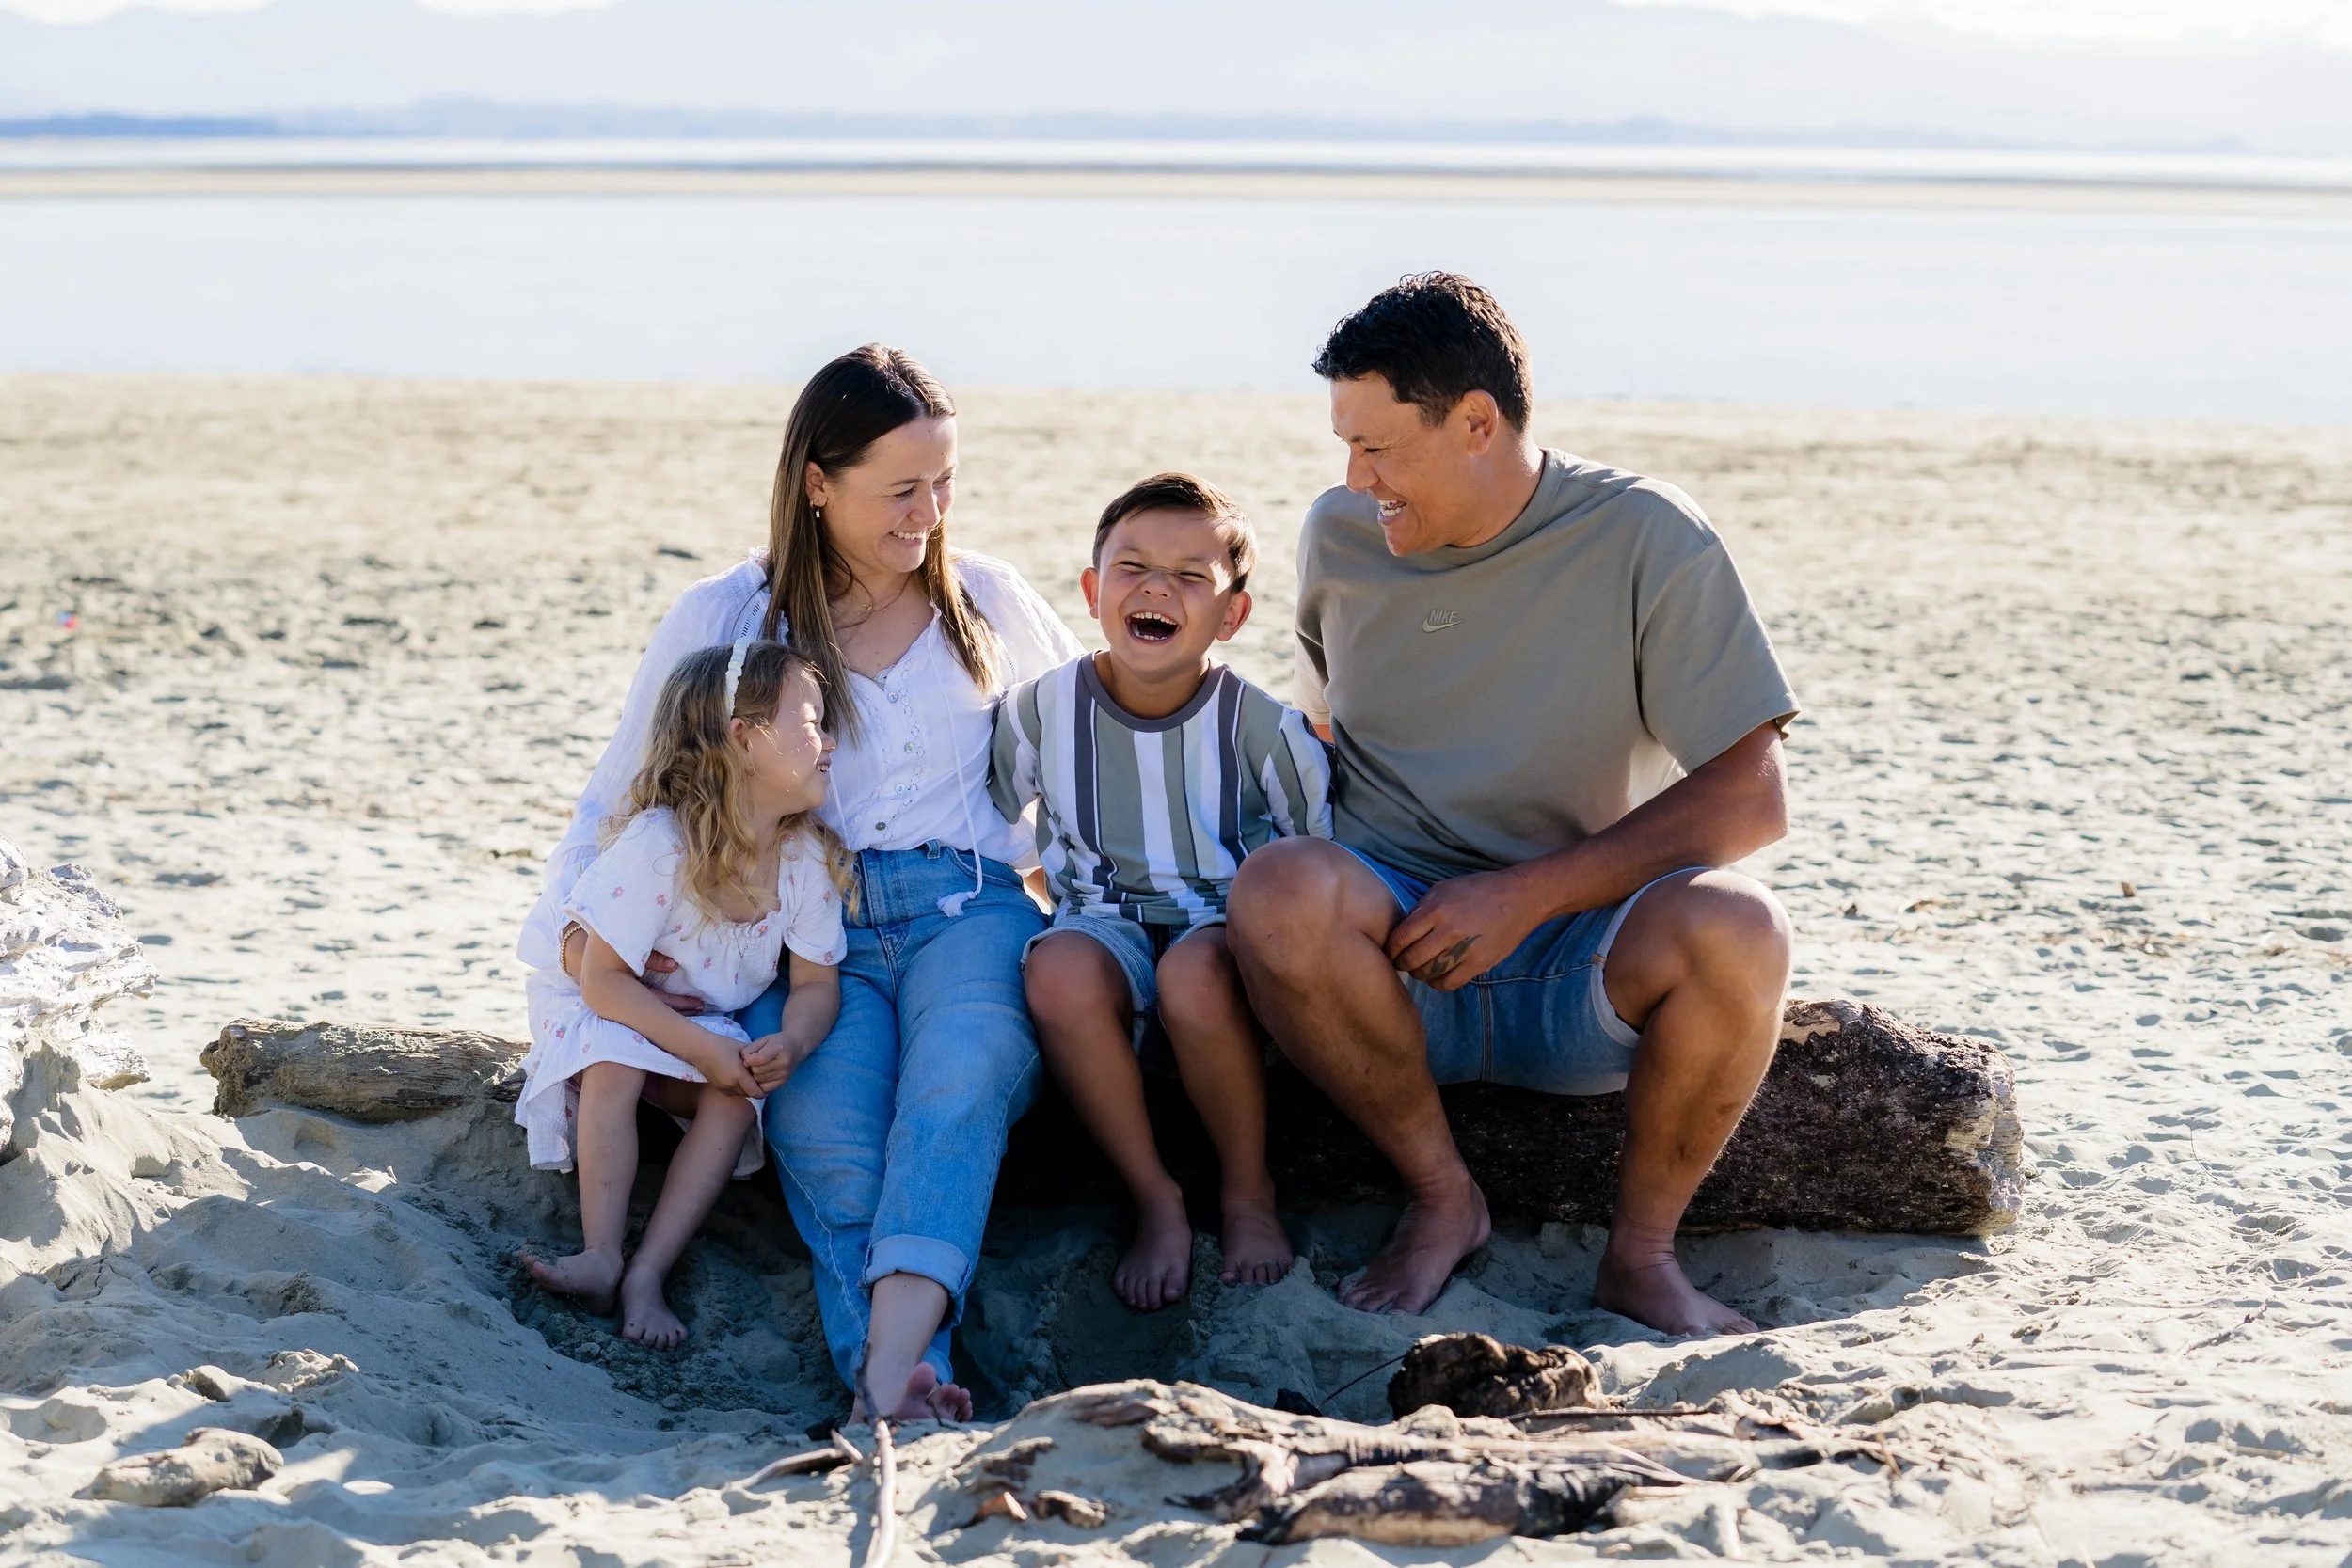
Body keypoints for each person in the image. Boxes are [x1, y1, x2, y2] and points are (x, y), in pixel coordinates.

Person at [1227, 274, 1799, 1335]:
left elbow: (1752, 795)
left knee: (1744, 926)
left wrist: (1528, 894)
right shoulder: (1339, 535)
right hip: (1389, 963)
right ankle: (1444, 1199)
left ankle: (1641, 1259)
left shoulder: (1646, 534)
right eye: (1345, 446)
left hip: (1583, 954)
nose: (1355, 478)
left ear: (1477, 423)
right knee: (1279, 887)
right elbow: (1317, 735)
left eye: (1379, 447)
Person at [517, 345, 1081, 1420]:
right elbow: (619, 806)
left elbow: (1078, 771)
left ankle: (892, 1371)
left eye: (945, 481)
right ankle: (904, 1379)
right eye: (899, 489)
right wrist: (592, 961)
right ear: (817, 483)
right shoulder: (729, 617)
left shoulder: (993, 601)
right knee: (822, 1133)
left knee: (956, 1084)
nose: (929, 512)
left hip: (972, 907)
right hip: (811, 935)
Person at [990, 474, 1332, 1311]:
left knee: (1194, 976)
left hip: (1221, 930)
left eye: (1190, 576)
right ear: (1092, 591)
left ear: (1233, 615)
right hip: (1099, 921)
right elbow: (996, 823)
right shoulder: (1039, 711)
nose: (1156, 588)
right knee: (1056, 971)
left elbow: (1317, 850)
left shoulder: (1261, 727)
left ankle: (1247, 1191)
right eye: (1133, 566)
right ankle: (1155, 1197)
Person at [516, 640, 847, 1351]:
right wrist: (700, 1046)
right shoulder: (662, 843)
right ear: (745, 738)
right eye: (813, 721)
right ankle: (602, 1252)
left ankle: (649, 1272)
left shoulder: (803, 859)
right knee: (617, 1059)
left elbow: (817, 983)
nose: (831, 740)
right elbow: (602, 981)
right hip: (608, 1000)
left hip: (696, 1013)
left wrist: (790, 1041)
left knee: (738, 1093)